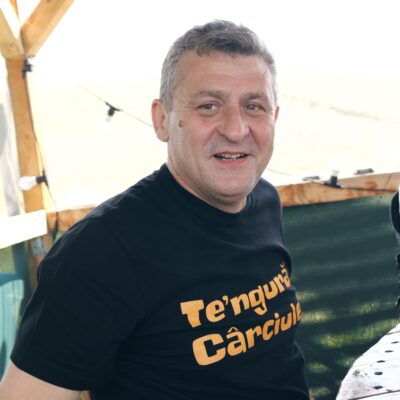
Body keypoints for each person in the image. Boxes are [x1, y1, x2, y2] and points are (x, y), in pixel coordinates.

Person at [0, 20, 309, 399]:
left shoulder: (265, 201)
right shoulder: (102, 250)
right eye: (209, 106)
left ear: (273, 118)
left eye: (253, 106)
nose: (235, 128)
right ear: (162, 120)